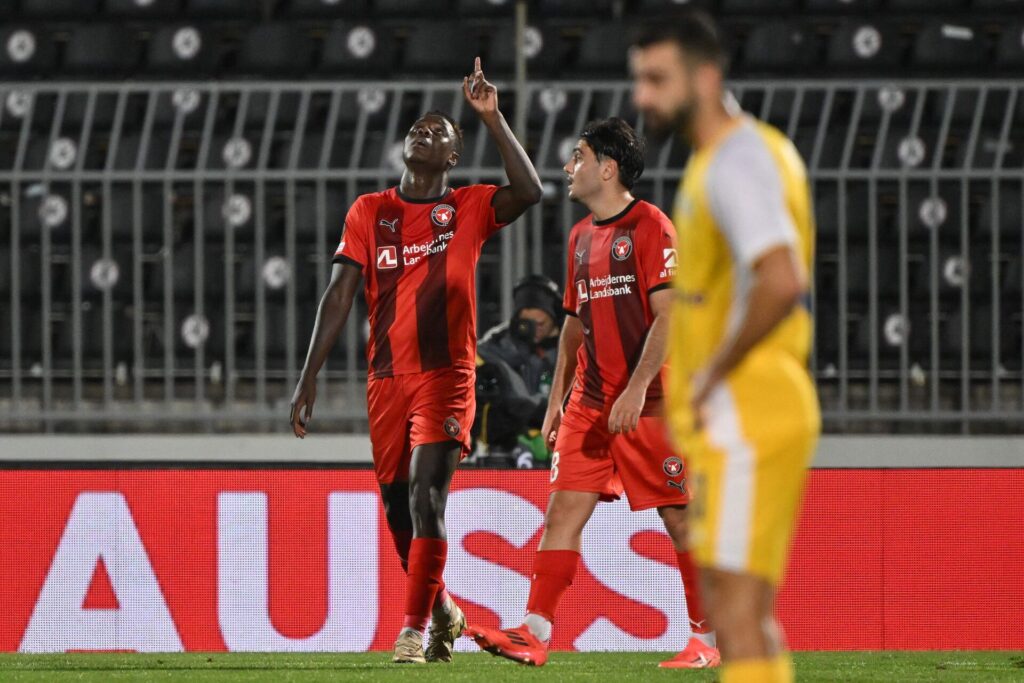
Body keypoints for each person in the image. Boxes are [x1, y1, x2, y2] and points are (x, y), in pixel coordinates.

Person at [289, 57, 542, 664]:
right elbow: (339, 294)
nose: (424, 132)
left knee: (429, 498)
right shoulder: (368, 211)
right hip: (386, 379)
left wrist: (492, 117)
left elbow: (530, 191)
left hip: (448, 376)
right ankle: (445, 611)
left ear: (453, 156)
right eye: (418, 128)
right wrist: (309, 375)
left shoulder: (471, 207)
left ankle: (412, 629)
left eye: (439, 131)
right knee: (400, 514)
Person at [465, 118, 718, 668]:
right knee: (561, 512)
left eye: (577, 156)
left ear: (607, 167)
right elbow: (573, 330)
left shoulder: (652, 227)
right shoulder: (581, 237)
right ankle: (534, 633)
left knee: (679, 519)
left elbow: (669, 315)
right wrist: (557, 402)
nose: (567, 167)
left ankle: (706, 640)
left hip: (649, 405)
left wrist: (639, 387)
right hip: (591, 402)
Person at [630, 13, 820, 683]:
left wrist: (711, 374)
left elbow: (782, 276)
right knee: (746, 611)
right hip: (755, 406)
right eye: (638, 80)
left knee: (733, 609)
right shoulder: (748, 153)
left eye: (657, 79)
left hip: (748, 408)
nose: (642, 97)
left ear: (705, 77)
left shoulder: (732, 163)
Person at [473, 275, 562, 468]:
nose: (534, 330)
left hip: (561, 432)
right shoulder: (498, 342)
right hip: (510, 440)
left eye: (541, 324)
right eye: (527, 323)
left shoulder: (570, 343)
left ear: (554, 318)